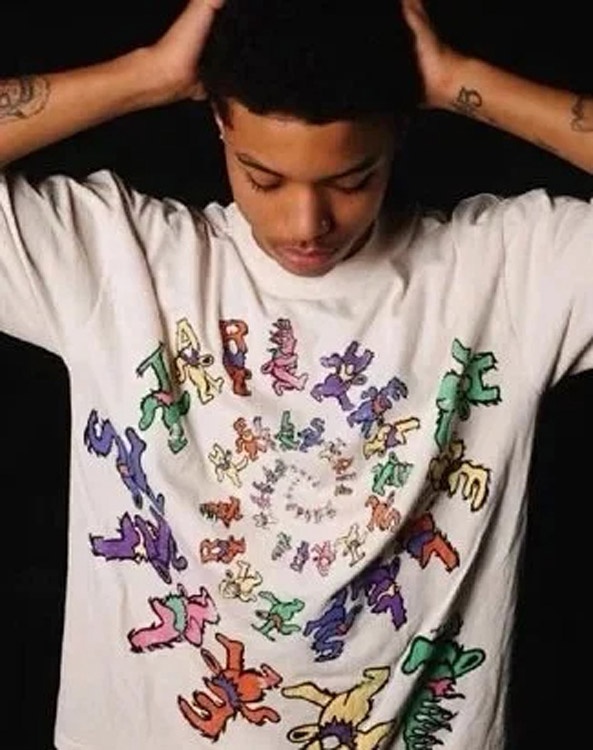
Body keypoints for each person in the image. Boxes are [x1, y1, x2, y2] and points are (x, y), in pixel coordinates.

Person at [1, 0, 591, 748]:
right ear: (220, 125)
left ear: (398, 133)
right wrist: (148, 73)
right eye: (264, 178)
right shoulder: (117, 262)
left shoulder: (507, 274)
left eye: (351, 179)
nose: (306, 224)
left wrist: (457, 79)